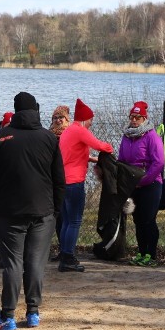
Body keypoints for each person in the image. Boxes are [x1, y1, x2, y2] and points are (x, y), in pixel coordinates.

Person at [0, 91, 65, 330]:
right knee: (36, 262)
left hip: (8, 213)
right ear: (36, 110)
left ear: (16, 111)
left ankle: (7, 316)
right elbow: (59, 179)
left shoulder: (0, 137)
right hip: (43, 213)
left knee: (12, 263)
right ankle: (33, 313)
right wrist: (55, 209)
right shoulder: (49, 138)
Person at [57, 98, 113, 272]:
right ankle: (68, 257)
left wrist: (91, 159)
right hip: (74, 182)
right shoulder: (79, 130)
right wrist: (110, 148)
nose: (91, 123)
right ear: (85, 119)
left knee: (67, 220)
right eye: (90, 120)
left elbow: (71, 154)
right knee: (74, 221)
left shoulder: (67, 131)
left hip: (63, 181)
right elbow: (100, 145)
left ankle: (64, 254)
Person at [118, 101, 165, 266]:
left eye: (138, 117)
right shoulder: (127, 136)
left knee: (148, 219)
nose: (134, 120)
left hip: (151, 184)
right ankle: (141, 252)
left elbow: (159, 162)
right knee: (137, 219)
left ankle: (151, 255)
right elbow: (122, 160)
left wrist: (143, 180)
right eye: (132, 116)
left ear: (145, 118)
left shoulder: (151, 136)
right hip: (133, 184)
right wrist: (124, 178)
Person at [49, 104, 71, 255]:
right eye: (55, 118)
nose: (58, 121)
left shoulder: (71, 133)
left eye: (61, 117)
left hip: (68, 178)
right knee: (57, 217)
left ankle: (67, 250)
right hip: (52, 180)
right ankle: (61, 248)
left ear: (67, 119)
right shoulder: (48, 135)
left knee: (68, 217)